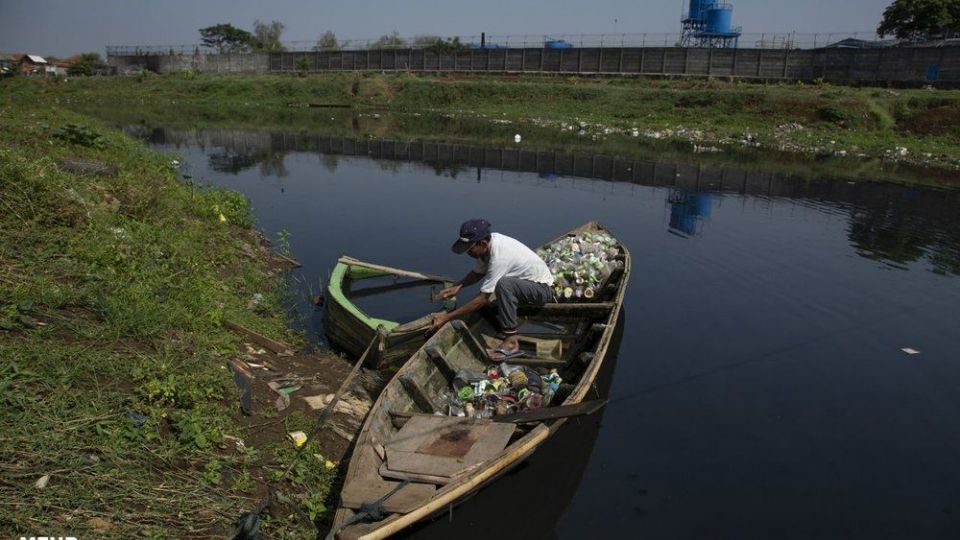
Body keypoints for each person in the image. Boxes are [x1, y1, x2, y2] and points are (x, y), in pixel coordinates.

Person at [429, 219, 554, 360]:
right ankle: (505, 328)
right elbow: (478, 272)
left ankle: (512, 342)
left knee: (503, 285)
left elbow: (483, 298)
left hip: (542, 290)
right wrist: (458, 286)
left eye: (469, 250)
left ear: (482, 243)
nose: (467, 254)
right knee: (487, 305)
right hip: (523, 287)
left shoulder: (500, 256)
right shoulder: (487, 245)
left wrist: (447, 317)